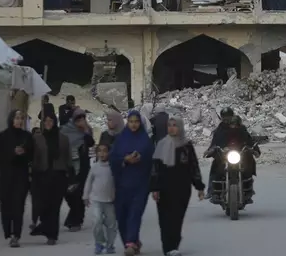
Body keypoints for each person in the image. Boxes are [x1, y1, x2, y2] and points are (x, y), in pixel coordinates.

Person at [151, 117, 205, 256]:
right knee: (164, 219)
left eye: (175, 125)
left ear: (180, 127)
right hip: (164, 188)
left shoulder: (186, 146)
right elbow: (155, 168)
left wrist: (199, 186)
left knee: (176, 218)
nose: (172, 128)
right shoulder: (161, 144)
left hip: (182, 188)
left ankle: (173, 245)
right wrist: (155, 188)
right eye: (169, 125)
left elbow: (193, 166)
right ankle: (168, 247)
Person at [110, 110, 155, 256]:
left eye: (136, 121)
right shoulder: (120, 139)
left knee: (135, 213)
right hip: (122, 184)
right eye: (131, 122)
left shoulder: (145, 140)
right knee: (121, 215)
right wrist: (125, 159)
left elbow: (151, 160)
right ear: (127, 123)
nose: (133, 124)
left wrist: (140, 158)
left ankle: (130, 243)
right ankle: (132, 241)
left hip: (140, 184)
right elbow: (112, 159)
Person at [31, 113, 73, 245]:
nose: (48, 123)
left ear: (55, 122)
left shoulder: (63, 138)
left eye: (51, 121)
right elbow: (33, 157)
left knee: (55, 206)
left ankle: (52, 235)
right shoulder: (37, 138)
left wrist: (71, 176)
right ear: (42, 123)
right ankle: (44, 226)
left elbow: (68, 157)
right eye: (46, 121)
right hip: (42, 175)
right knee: (43, 205)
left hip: (58, 175)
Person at [0, 110, 34, 248]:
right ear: (11, 119)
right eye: (17, 118)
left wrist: (24, 153)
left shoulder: (27, 137)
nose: (19, 121)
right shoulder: (3, 136)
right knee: (7, 206)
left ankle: (16, 235)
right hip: (6, 176)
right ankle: (8, 232)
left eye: (21, 118)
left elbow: (32, 156)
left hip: (21, 176)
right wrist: (13, 153)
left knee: (18, 206)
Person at [209, 115, 259, 204]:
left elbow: (250, 141)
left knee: (249, 164)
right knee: (217, 165)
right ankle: (215, 192)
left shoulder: (243, 132)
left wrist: (254, 149)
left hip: (240, 156)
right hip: (225, 157)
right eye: (232, 124)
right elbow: (217, 142)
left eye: (236, 125)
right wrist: (214, 149)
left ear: (239, 125)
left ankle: (248, 190)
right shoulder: (223, 132)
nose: (234, 126)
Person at [60, 108, 96, 231]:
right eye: (78, 119)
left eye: (83, 118)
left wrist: (86, 131)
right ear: (73, 120)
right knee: (69, 193)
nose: (81, 121)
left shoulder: (87, 131)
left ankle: (76, 221)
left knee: (80, 193)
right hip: (69, 165)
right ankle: (75, 218)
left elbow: (91, 143)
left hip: (83, 166)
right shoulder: (65, 131)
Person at [83, 144, 117, 255]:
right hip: (96, 199)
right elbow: (88, 182)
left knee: (111, 224)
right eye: (100, 151)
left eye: (105, 151)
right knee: (97, 221)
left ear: (109, 153)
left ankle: (110, 245)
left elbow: (117, 183)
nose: (102, 154)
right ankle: (99, 242)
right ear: (97, 153)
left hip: (110, 200)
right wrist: (85, 196)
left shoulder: (113, 167)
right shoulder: (95, 167)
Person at [205, 107, 235, 198]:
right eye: (224, 117)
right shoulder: (219, 130)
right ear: (221, 117)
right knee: (215, 167)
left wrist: (253, 147)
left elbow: (247, 138)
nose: (226, 119)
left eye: (229, 116)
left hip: (236, 154)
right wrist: (211, 150)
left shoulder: (238, 127)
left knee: (247, 165)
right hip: (223, 155)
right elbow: (214, 142)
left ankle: (248, 186)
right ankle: (211, 191)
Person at [30, 127, 42, 230]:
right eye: (36, 133)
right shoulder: (30, 147)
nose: (38, 135)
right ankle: (34, 221)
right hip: (34, 177)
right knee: (35, 201)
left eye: (39, 133)